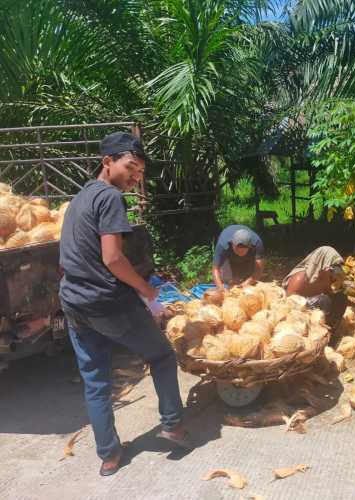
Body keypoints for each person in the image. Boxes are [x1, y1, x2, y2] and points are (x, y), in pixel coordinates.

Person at [59, 132, 190, 477]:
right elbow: (113, 259)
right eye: (130, 167)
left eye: (140, 172)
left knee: (96, 381)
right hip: (106, 302)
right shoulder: (110, 198)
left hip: (74, 303)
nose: (135, 177)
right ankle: (173, 425)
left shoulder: (81, 197)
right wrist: (147, 290)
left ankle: (109, 456)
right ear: (108, 161)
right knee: (161, 355)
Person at [282, 246, 350, 332]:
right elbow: (289, 305)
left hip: (315, 317)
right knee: (323, 300)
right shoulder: (299, 279)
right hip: (297, 319)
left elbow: (335, 295)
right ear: (322, 266)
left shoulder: (326, 280)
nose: (333, 277)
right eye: (331, 272)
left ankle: (329, 332)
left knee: (340, 297)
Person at [212, 224, 264, 289]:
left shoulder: (257, 243)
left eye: (242, 251)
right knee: (226, 279)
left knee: (249, 280)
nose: (239, 253)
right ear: (232, 243)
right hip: (228, 255)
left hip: (249, 257)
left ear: (249, 247)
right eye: (237, 250)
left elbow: (259, 269)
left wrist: (247, 283)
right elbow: (215, 269)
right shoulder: (222, 245)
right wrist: (221, 289)